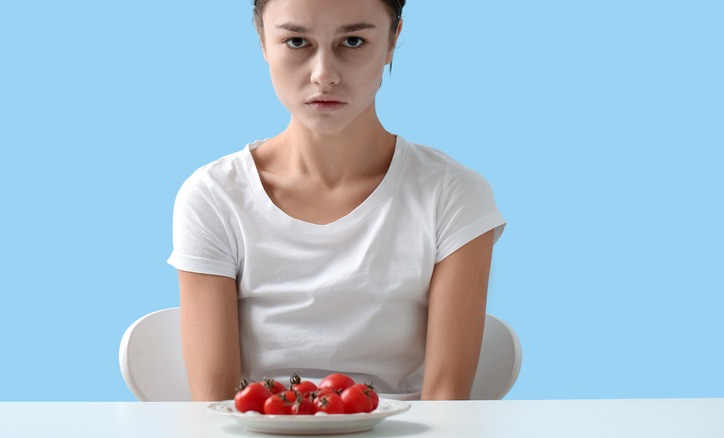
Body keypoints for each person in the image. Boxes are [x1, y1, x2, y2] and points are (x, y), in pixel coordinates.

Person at [167, 0, 506, 401]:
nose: (324, 75)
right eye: (296, 41)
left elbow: (446, 400)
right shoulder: (214, 196)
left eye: (354, 41)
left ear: (393, 40)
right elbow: (217, 404)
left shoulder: (452, 194)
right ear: (261, 38)